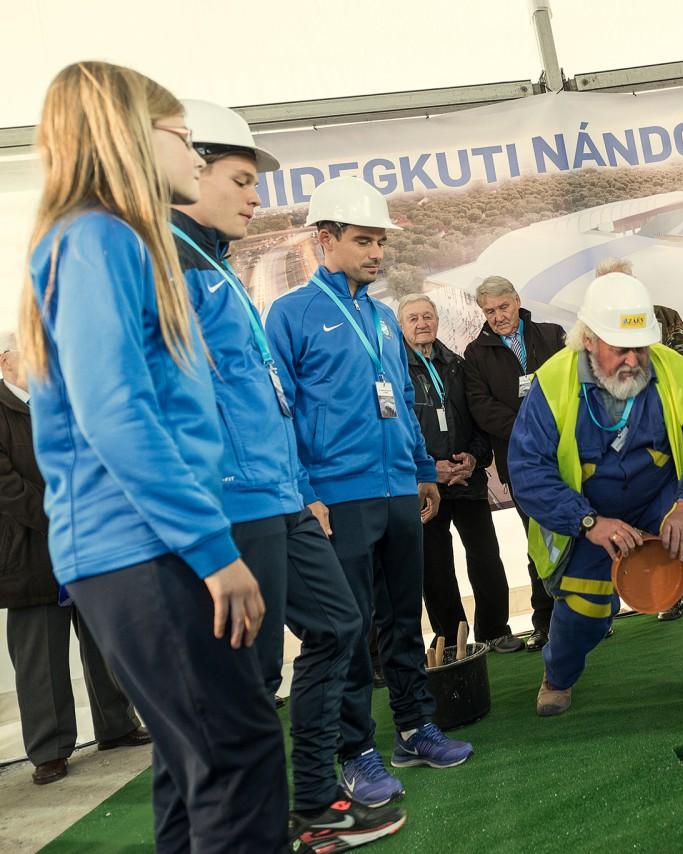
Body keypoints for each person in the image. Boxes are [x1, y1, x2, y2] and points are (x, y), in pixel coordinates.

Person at [20, 62, 286, 851]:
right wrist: (212, 549)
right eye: (184, 138)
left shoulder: (101, 241)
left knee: (198, 768)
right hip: (144, 548)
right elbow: (115, 411)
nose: (197, 159)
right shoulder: (99, 237)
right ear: (132, 136)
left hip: (140, 545)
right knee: (237, 757)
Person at [173, 101, 404, 848]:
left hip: (281, 495)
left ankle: (313, 798)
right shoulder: (166, 264)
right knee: (247, 678)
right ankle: (258, 825)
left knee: (339, 626)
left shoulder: (217, 264)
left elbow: (258, 393)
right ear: (189, 168)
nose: (255, 196)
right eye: (241, 179)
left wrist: (297, 487)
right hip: (233, 502)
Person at [266, 176, 473, 808]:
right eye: (363, 240)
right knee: (349, 630)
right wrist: (305, 490)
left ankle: (414, 728)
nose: (376, 252)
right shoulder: (290, 314)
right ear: (324, 239)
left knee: (404, 619)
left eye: (381, 241)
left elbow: (403, 401)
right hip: (337, 498)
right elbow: (280, 409)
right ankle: (355, 750)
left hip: (397, 490)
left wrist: (421, 470)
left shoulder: (384, 318)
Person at [508, 272, 683, 719]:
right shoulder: (552, 383)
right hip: (589, 516)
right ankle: (557, 676)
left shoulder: (674, 370)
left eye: (641, 347)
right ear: (589, 340)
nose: (634, 360)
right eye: (621, 348)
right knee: (584, 611)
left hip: (664, 501)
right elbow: (528, 471)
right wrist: (588, 522)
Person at [1, 337, 149, 787]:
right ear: (5, 361)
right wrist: (62, 513)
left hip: (87, 544)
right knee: (40, 659)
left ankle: (116, 725)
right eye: (30, 351)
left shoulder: (63, 401)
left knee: (104, 640)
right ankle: (49, 750)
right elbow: (7, 488)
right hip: (30, 552)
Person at [398, 294, 523, 654]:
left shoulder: (457, 363)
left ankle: (494, 631)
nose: (422, 323)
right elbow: (393, 430)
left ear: (437, 320)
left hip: (467, 479)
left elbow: (479, 417)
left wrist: (473, 458)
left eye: (427, 316)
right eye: (413, 318)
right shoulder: (392, 370)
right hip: (424, 485)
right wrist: (426, 469)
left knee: (486, 557)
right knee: (436, 568)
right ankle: (452, 644)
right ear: (400, 327)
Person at [592, 257, 683, 621]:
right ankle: (658, 594)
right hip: (618, 458)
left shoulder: (664, 318)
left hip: (669, 441)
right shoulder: (592, 337)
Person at [462, 276, 564, 650]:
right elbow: (482, 408)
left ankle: (595, 614)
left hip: (565, 454)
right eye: (489, 311)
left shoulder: (551, 335)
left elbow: (573, 383)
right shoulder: (475, 353)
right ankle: (545, 622)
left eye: (503, 307)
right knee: (538, 542)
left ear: (517, 301)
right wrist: (528, 428)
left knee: (581, 535)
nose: (498, 317)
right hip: (520, 462)